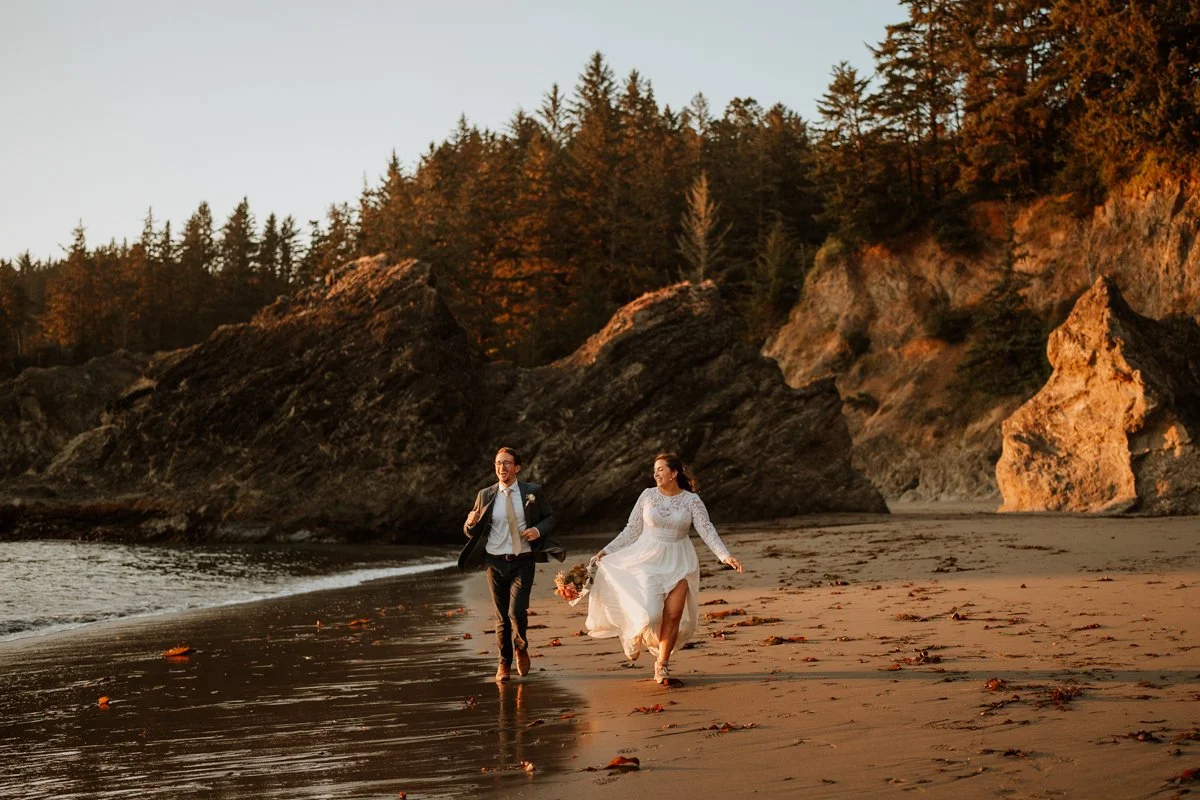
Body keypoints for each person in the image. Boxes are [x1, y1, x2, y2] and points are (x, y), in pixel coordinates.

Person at [586, 452, 744, 685]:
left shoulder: (692, 501)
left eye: (660, 469)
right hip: (647, 559)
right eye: (654, 470)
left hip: (680, 559)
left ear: (674, 473)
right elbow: (632, 529)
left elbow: (706, 529)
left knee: (673, 614)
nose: (656, 473)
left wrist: (724, 555)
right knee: (651, 615)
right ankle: (632, 634)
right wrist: (607, 551)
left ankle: (662, 665)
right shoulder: (648, 496)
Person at [459, 447, 563, 682]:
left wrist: (537, 530)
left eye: (507, 463)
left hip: (523, 560)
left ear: (517, 467)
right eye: (498, 463)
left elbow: (551, 518)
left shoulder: (532, 492)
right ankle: (504, 663)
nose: (501, 468)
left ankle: (521, 646)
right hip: (494, 563)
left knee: (517, 612)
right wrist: (469, 522)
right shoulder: (485, 495)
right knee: (501, 617)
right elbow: (470, 532)